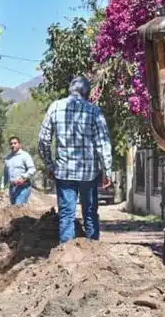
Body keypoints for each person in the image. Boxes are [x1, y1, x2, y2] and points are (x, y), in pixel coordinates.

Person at [37, 76, 113, 244]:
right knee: (91, 213)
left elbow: (43, 140)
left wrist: (50, 164)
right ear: (87, 92)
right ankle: (94, 252)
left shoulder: (55, 107)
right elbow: (103, 144)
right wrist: (107, 171)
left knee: (66, 214)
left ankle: (66, 257)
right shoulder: (94, 111)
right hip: (89, 174)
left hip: (64, 172)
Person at [4, 136, 36, 206]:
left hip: (23, 186)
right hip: (12, 188)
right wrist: (2, 187)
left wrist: (23, 177)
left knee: (18, 207)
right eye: (11, 144)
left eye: (15, 143)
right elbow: (5, 174)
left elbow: (32, 169)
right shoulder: (8, 158)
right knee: (14, 210)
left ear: (19, 144)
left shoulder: (25, 155)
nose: (13, 145)